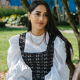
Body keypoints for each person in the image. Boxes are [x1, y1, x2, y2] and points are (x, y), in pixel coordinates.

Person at [6, 0, 73, 80]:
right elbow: (15, 73)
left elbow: (61, 75)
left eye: (45, 15)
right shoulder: (18, 42)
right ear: (29, 16)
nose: (41, 19)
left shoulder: (56, 42)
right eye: (37, 14)